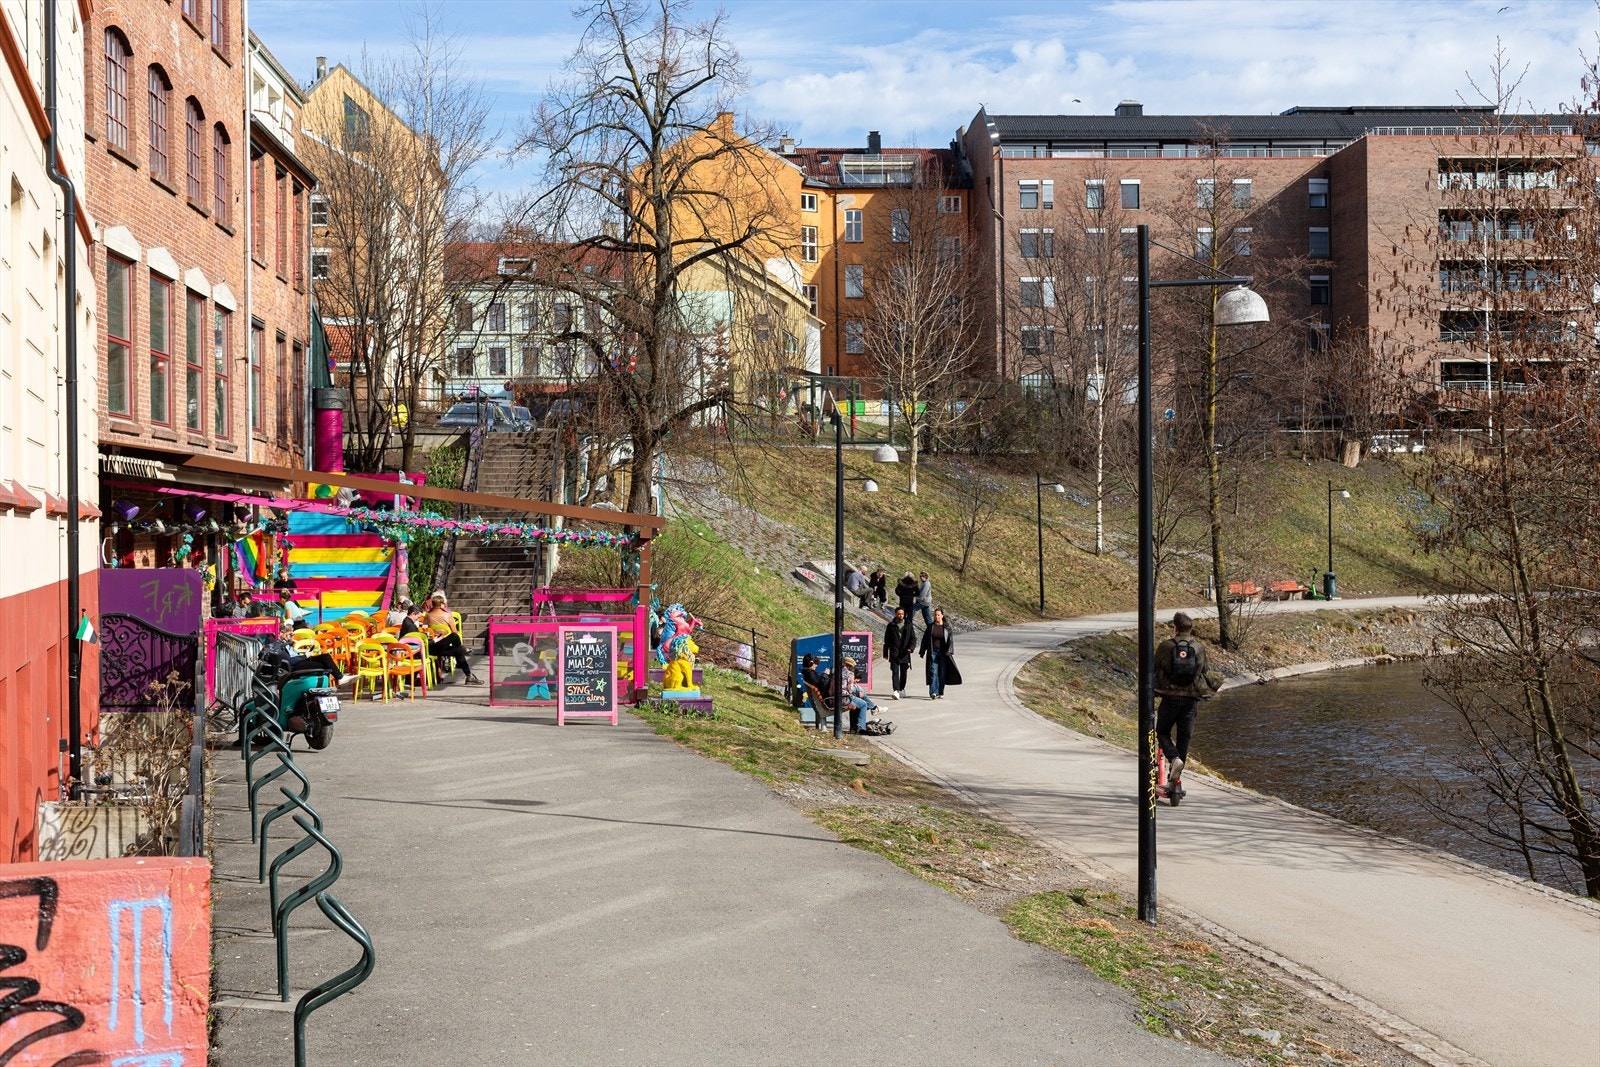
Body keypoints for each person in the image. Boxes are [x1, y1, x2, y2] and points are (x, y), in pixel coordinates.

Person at [1154, 612, 1221, 801]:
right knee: (1185, 736)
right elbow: (1204, 671)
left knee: (1162, 732)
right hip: (1191, 699)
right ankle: (1176, 778)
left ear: (1174, 628)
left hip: (1170, 698)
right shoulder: (1199, 648)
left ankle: (1173, 758)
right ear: (1190, 629)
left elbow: (1154, 666)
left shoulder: (1166, 646)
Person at [424, 591, 482, 684]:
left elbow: (424, 629)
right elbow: (454, 631)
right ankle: (462, 649)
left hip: (432, 648)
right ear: (442, 604)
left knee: (458, 652)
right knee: (455, 636)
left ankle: (469, 675)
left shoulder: (427, 615)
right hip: (441, 644)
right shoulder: (447, 615)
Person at [918, 607, 954, 699]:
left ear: (942, 616)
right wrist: (922, 651)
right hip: (933, 652)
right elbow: (925, 639)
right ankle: (933, 692)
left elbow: (950, 640)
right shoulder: (931, 627)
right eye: (935, 615)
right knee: (933, 672)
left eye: (938, 615)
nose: (936, 616)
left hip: (943, 653)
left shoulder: (947, 627)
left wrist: (949, 651)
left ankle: (940, 692)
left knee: (942, 673)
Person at [838, 657, 878, 733]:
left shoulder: (838, 671)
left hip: (835, 697)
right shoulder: (849, 674)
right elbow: (849, 690)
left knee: (858, 695)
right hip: (843, 698)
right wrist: (856, 694)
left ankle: (854, 727)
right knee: (863, 704)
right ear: (850, 666)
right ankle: (861, 727)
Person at [883, 607, 915, 700]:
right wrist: (885, 652)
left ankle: (901, 688)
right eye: (899, 614)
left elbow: (913, 638)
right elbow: (887, 639)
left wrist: (911, 648)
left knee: (904, 673)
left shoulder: (908, 625)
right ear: (895, 614)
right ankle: (896, 690)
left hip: (905, 652)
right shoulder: (891, 625)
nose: (900, 615)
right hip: (894, 652)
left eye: (902, 614)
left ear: (904, 614)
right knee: (895, 672)